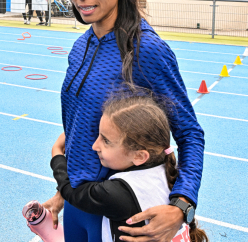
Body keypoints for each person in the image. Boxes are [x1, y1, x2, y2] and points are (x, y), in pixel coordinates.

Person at [43, 0, 204, 242]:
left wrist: (183, 206)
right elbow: (80, 131)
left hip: (120, 211)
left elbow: (190, 134)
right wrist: (62, 192)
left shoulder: (148, 49)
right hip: (78, 205)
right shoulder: (81, 46)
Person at [51, 95, 208, 242]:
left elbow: (72, 193)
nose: (94, 146)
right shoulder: (167, 170)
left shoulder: (118, 193)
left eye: (105, 141)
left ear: (139, 156)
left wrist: (57, 154)